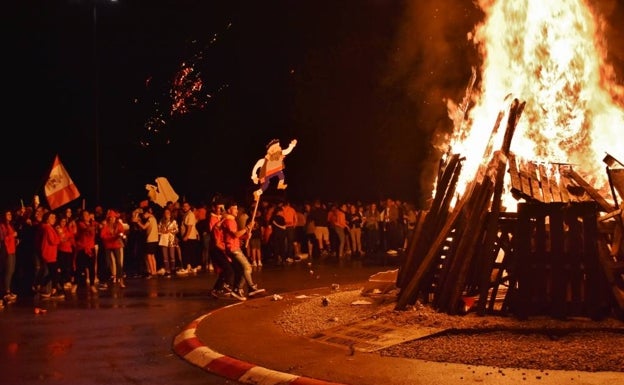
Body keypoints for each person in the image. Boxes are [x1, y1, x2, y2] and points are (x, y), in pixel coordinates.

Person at [222, 201, 265, 299]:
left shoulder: (231, 220)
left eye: (237, 208)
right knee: (248, 267)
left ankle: (241, 289)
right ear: (229, 210)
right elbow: (235, 234)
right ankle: (248, 287)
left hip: (234, 247)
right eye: (235, 208)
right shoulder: (229, 221)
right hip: (233, 249)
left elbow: (234, 236)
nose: (237, 211)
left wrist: (245, 236)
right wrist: (247, 228)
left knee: (243, 270)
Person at [100, 210, 126, 287]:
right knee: (108, 263)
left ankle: (121, 280)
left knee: (118, 262)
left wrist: (120, 235)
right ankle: (107, 281)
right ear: (109, 218)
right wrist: (111, 237)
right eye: (111, 217)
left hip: (116, 245)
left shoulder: (118, 224)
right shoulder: (106, 225)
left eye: (114, 217)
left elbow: (122, 231)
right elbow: (102, 235)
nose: (113, 219)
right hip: (108, 245)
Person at [75, 209, 98, 293]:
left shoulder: (93, 224)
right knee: (79, 267)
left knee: (91, 267)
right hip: (82, 248)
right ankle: (76, 284)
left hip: (91, 248)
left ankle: (92, 284)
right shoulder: (80, 224)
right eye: (84, 215)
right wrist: (93, 224)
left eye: (88, 214)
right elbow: (86, 229)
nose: (87, 216)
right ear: (81, 216)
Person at [134, 206, 159, 278]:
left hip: (150, 239)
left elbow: (144, 227)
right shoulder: (154, 219)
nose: (144, 216)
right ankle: (154, 271)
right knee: (152, 255)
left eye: (144, 214)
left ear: (148, 213)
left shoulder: (150, 219)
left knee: (149, 256)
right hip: (155, 239)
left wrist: (138, 222)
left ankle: (152, 272)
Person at [1, 209, 18, 303]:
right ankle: (6, 291)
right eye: (8, 214)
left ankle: (9, 289)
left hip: (12, 249)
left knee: (12, 270)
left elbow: (11, 237)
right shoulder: (2, 226)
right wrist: (12, 235)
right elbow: (4, 239)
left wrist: (15, 240)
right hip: (7, 251)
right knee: (8, 271)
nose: (10, 216)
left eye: (10, 214)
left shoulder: (10, 225)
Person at [180, 201, 201, 273]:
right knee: (187, 253)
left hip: (190, 237)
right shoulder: (185, 214)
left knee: (190, 253)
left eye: (186, 206)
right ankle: (189, 267)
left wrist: (186, 236)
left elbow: (190, 226)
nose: (185, 207)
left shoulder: (190, 214)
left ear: (189, 207)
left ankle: (192, 267)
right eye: (184, 206)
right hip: (187, 237)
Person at [158, 208, 178, 277]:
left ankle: (173, 269)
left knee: (172, 256)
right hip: (164, 240)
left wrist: (170, 231)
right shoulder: (161, 221)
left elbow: (176, 230)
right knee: (165, 256)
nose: (167, 214)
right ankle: (167, 270)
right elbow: (159, 230)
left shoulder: (173, 221)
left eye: (168, 212)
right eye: (165, 212)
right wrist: (162, 231)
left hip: (171, 239)